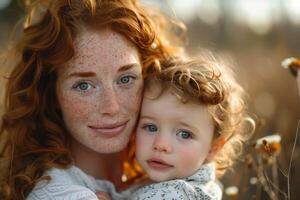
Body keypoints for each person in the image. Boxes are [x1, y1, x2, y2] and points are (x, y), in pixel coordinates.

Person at [0, 0, 185, 199]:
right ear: (51, 93)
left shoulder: (163, 175)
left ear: (148, 76)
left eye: (125, 79)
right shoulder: (60, 194)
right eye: (84, 85)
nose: (111, 107)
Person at [95, 55, 255, 199]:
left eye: (184, 134)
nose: (161, 145)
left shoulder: (177, 193)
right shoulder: (188, 184)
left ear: (214, 148)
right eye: (150, 127)